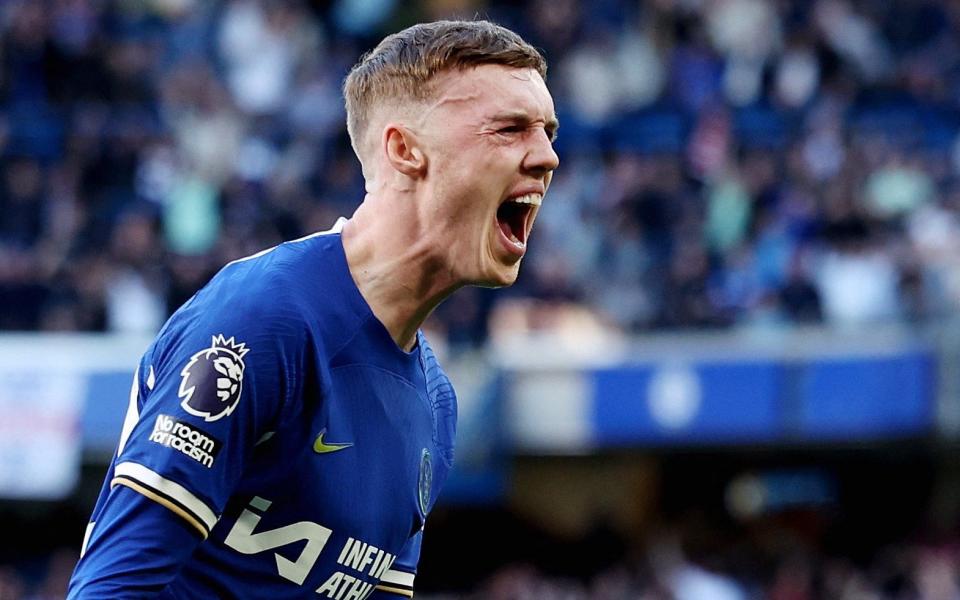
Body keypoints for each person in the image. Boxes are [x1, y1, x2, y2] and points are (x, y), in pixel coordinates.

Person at [68, 18, 559, 599]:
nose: (547, 157)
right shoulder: (264, 320)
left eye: (549, 132)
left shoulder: (434, 401)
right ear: (405, 150)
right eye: (509, 129)